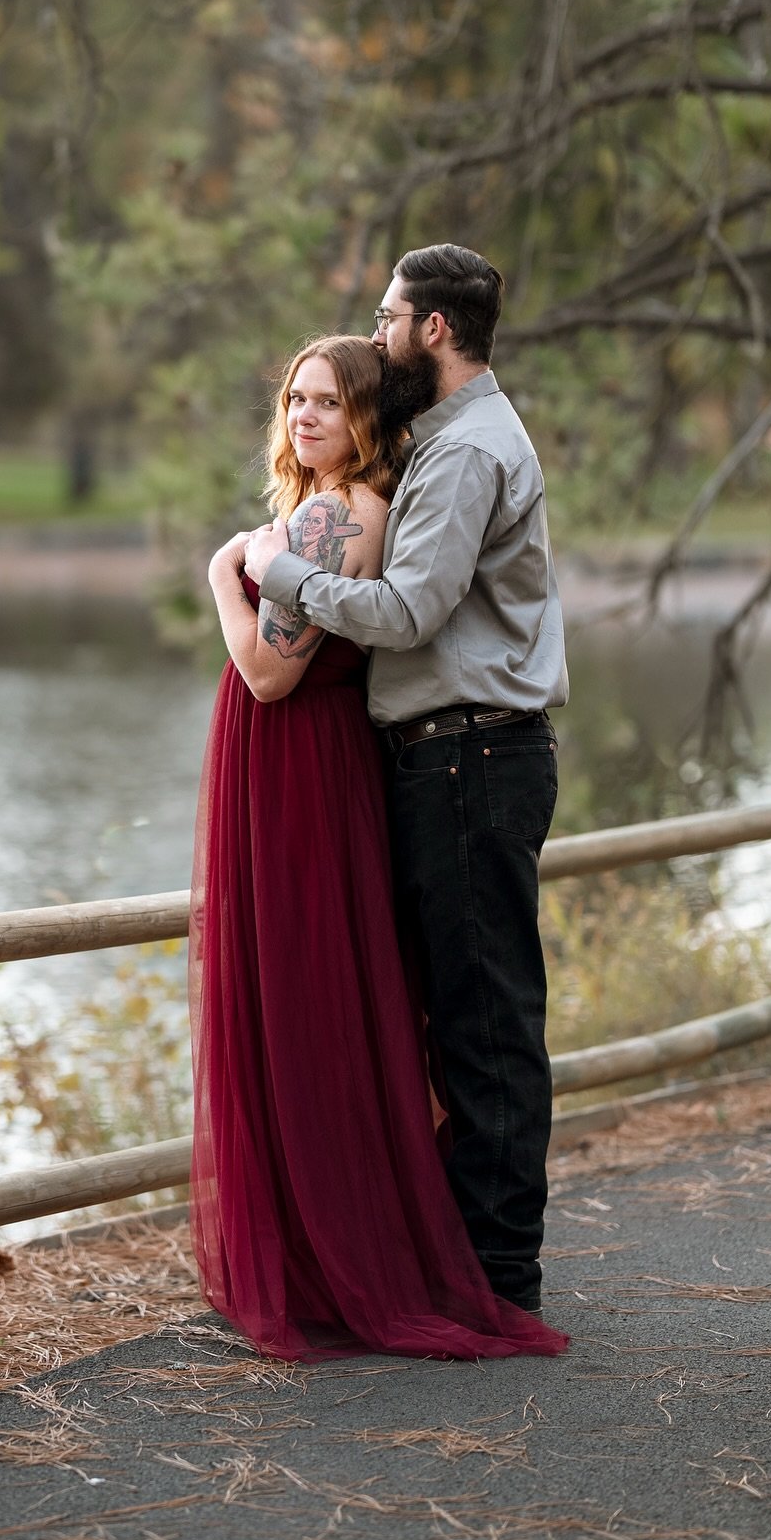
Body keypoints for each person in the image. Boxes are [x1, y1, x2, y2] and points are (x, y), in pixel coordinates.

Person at [193, 331, 567, 1361]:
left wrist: (227, 574)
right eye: (296, 400)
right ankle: (334, 1244)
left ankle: (331, 1257)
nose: (306, 417)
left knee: (304, 998)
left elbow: (269, 674)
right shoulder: (348, 508)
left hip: (297, 769)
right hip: (319, 766)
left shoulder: (330, 512)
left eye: (330, 403)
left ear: (368, 422)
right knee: (341, 998)